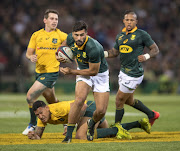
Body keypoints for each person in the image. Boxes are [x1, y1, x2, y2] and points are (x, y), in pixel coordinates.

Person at [56, 21, 110, 142]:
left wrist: (71, 71)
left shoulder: (93, 48)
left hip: (99, 74)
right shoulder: (70, 38)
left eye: (82, 35)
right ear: (73, 34)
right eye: (76, 35)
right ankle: (68, 135)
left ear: (86, 34)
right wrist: (60, 54)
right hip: (82, 70)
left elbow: (93, 72)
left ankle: (92, 123)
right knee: (79, 100)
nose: (79, 38)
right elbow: (63, 45)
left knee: (101, 111)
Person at [104, 10, 160, 126]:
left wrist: (146, 56)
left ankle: (117, 127)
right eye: (127, 20)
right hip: (123, 72)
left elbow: (155, 49)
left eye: (132, 20)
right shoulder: (120, 36)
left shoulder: (142, 34)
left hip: (134, 74)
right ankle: (152, 114)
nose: (129, 22)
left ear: (136, 22)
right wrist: (101, 54)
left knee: (119, 100)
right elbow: (114, 52)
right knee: (129, 101)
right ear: (124, 21)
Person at [22, 9, 68, 135]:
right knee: (52, 101)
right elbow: (28, 53)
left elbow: (71, 47)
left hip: (51, 73)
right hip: (39, 72)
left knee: (30, 96)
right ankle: (66, 122)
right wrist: (31, 57)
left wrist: (68, 55)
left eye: (56, 19)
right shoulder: (36, 35)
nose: (54, 21)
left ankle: (32, 124)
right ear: (45, 20)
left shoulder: (62, 35)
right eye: (52, 18)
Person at [27, 100, 151, 141]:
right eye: (37, 115)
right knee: (109, 133)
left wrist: (72, 126)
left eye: (41, 113)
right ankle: (139, 123)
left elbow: (83, 106)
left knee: (81, 136)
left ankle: (118, 129)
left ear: (47, 108)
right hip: (90, 109)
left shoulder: (58, 108)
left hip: (90, 107)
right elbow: (38, 135)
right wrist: (35, 136)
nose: (40, 117)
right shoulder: (42, 118)